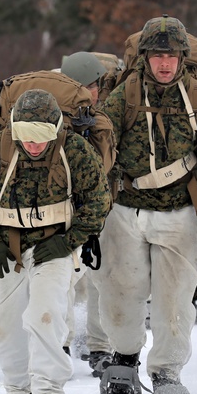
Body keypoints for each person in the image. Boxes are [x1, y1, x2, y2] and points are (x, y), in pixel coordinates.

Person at [91, 15, 197, 394]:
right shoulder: (123, 96)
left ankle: (167, 372)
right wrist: (90, 225)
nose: (165, 63)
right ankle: (124, 357)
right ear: (145, 57)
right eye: (157, 55)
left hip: (179, 211)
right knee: (120, 293)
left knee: (174, 299)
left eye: (172, 55)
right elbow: (99, 158)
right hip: (124, 209)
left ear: (183, 57)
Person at [0, 89, 110, 394]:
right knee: (9, 318)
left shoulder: (74, 150)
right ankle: (17, 392)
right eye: (26, 138)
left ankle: (48, 393)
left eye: (41, 138)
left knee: (46, 314)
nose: (33, 146)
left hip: (55, 244)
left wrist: (69, 242)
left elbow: (98, 201)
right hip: (8, 245)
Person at [58, 51, 116, 376]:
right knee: (63, 282)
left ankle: (99, 345)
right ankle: (62, 343)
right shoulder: (51, 116)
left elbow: (107, 166)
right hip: (62, 211)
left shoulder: (103, 120)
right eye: (81, 85)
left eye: (93, 85)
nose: (89, 91)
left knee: (98, 280)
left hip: (97, 209)